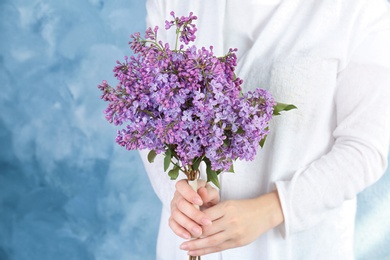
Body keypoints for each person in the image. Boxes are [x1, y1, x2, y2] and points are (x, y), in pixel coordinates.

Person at [140, 0, 390, 259]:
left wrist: (273, 208)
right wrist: (177, 193)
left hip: (292, 247)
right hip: (189, 244)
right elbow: (149, 112)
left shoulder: (359, 8)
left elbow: (364, 148)